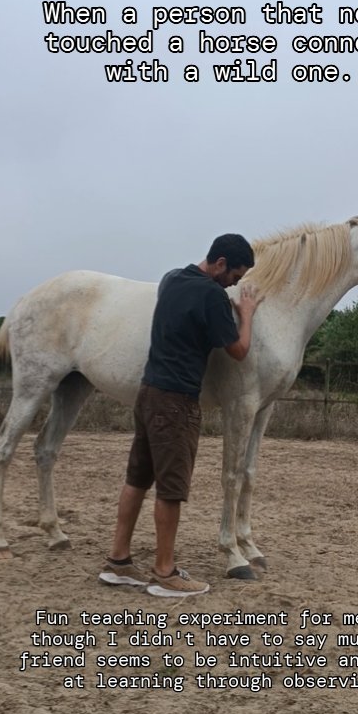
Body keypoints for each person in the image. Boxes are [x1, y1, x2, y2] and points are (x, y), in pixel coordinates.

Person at [99, 233, 262, 597]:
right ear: (220, 264)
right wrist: (246, 315)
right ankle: (165, 572)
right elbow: (238, 351)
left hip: (148, 392)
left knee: (137, 479)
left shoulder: (172, 278)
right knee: (171, 490)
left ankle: (118, 561)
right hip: (177, 402)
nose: (235, 284)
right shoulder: (212, 296)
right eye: (235, 276)